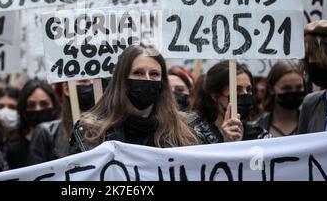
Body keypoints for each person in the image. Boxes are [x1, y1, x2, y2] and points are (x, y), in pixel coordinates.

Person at [69, 44, 199, 154]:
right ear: (122, 80)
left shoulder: (185, 131)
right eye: (138, 73)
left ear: (162, 82)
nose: (147, 79)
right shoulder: (91, 133)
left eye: (154, 74)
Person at [191, 61, 269, 144]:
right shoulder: (197, 137)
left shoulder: (259, 135)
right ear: (215, 96)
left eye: (249, 89)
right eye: (237, 90)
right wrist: (228, 144)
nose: (245, 94)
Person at [27, 79, 99, 165]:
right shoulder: (46, 133)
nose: (90, 85)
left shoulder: (110, 130)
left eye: (95, 81)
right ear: (66, 89)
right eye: (83, 81)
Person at [5, 79, 59, 169]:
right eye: (31, 105)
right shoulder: (14, 150)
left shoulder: (65, 141)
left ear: (54, 106)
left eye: (44, 104)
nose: (38, 109)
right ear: (23, 110)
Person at [298, 20, 327, 134]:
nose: (310, 61)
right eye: (308, 56)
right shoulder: (311, 104)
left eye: (315, 55)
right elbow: (302, 148)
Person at [256, 61, 306, 137]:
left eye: (299, 87)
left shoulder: (312, 123)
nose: (293, 92)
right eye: (286, 88)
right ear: (271, 89)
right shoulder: (257, 128)